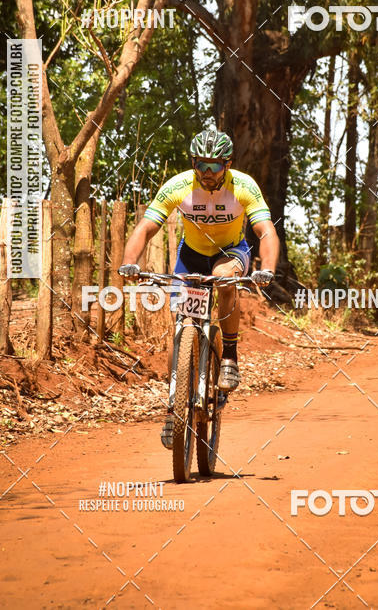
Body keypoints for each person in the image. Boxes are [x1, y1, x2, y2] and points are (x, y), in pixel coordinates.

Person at [120, 128, 280, 447]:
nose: (207, 173)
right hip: (191, 257)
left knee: (224, 279)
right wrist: (129, 262)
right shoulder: (178, 186)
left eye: (215, 166)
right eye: (201, 165)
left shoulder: (243, 186)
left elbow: (265, 232)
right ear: (193, 163)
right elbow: (146, 227)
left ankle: (230, 357)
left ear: (228, 164)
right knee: (182, 331)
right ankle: (173, 409)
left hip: (231, 253)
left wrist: (268, 269)